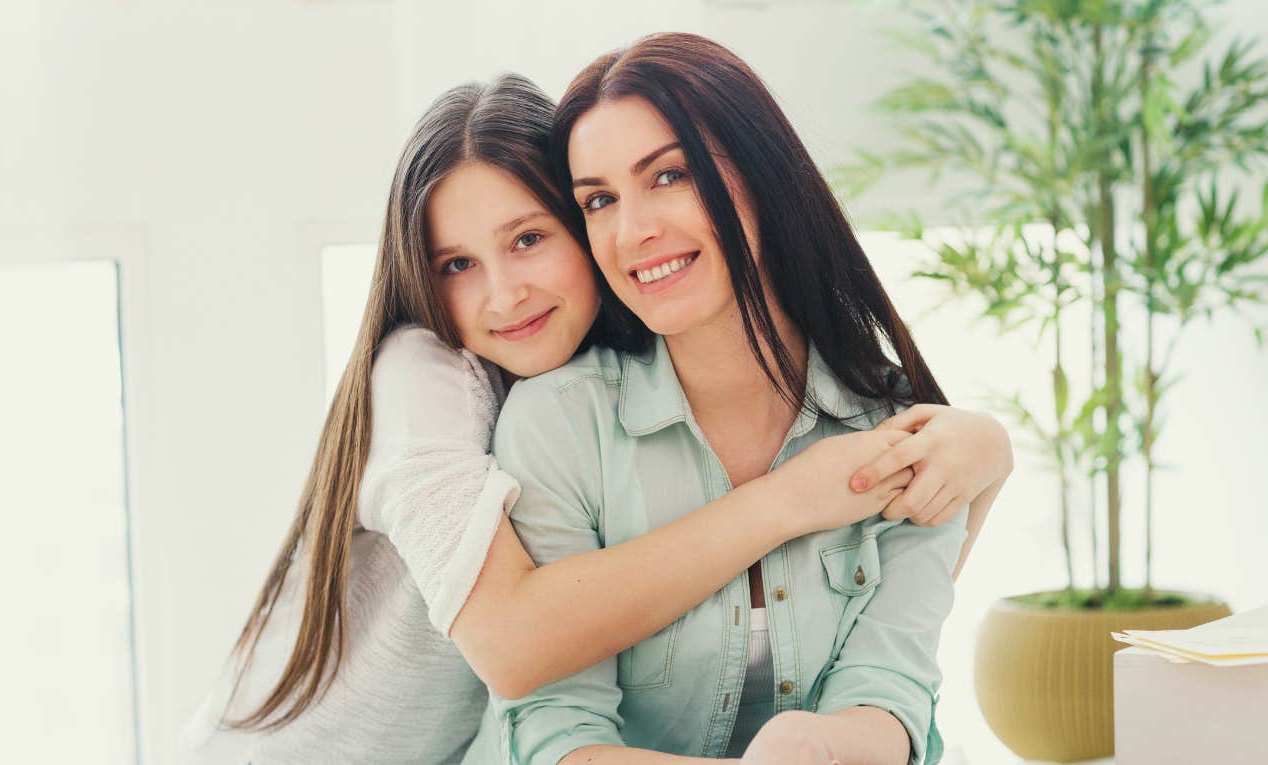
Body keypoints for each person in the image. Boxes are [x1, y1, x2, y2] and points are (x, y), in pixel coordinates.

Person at [184, 72, 1011, 765]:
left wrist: (989, 450)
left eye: (531, 237)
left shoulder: (630, 360)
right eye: (457, 264)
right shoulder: (426, 378)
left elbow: (891, 646)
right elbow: (514, 646)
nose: (504, 294)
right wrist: (787, 500)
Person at [462, 34, 1006, 765]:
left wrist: (816, 744)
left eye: (670, 175)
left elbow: (891, 690)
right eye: (599, 199)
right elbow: (558, 736)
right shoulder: (559, 425)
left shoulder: (896, 424)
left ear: (762, 173)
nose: (632, 232)